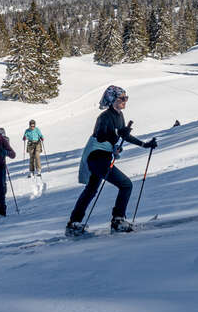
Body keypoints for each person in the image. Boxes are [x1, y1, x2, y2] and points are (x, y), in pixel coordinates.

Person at [66, 85, 157, 236]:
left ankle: (73, 223)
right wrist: (117, 137)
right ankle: (118, 221)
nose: (125, 101)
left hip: (102, 157)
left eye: (126, 98)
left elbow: (123, 136)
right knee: (126, 185)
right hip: (97, 157)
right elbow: (102, 136)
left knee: (91, 190)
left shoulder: (119, 115)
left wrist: (144, 144)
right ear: (112, 99)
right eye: (122, 98)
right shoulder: (104, 117)